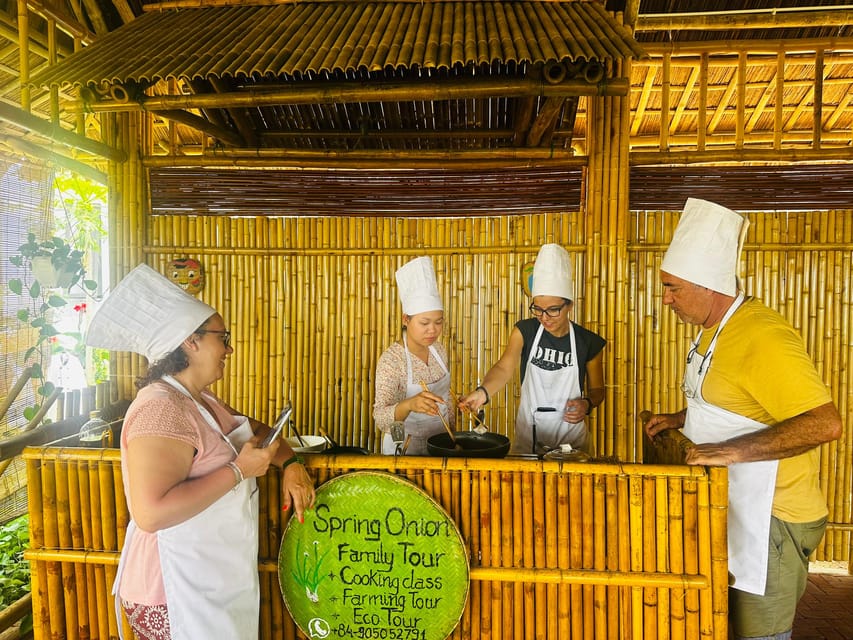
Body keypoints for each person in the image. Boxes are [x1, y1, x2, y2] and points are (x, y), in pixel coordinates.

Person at [643, 198, 842, 640]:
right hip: (731, 506)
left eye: (673, 287)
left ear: (708, 285)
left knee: (760, 637)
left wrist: (734, 451)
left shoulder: (762, 335)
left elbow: (824, 423)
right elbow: (736, 403)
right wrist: (680, 418)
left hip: (772, 517)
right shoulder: (713, 330)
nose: (666, 298)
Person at [85, 263, 315, 640]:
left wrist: (289, 462)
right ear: (190, 341)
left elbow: (255, 430)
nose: (229, 348)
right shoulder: (160, 409)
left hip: (213, 581)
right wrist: (239, 472)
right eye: (222, 337)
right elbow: (151, 512)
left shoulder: (200, 400)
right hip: (172, 591)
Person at [460, 244, 605, 454]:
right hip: (529, 440)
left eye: (553, 310)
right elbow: (504, 367)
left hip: (572, 445)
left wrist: (587, 403)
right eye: (538, 309)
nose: (544, 318)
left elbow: (598, 390)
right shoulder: (525, 330)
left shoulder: (588, 342)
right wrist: (483, 393)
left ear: (570, 305)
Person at [373, 256, 455, 455]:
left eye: (438, 322)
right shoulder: (392, 360)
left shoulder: (439, 351)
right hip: (404, 449)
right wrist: (410, 404)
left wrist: (454, 432)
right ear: (406, 319)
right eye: (424, 323)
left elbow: (446, 400)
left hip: (442, 445)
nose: (432, 330)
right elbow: (381, 418)